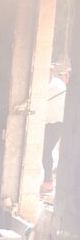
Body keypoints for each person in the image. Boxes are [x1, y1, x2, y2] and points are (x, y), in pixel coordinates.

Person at [41, 64, 70, 197]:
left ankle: (48, 183)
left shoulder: (56, 86)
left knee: (46, 151)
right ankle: (48, 181)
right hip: (47, 124)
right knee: (46, 151)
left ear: (51, 71)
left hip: (57, 124)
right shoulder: (46, 84)